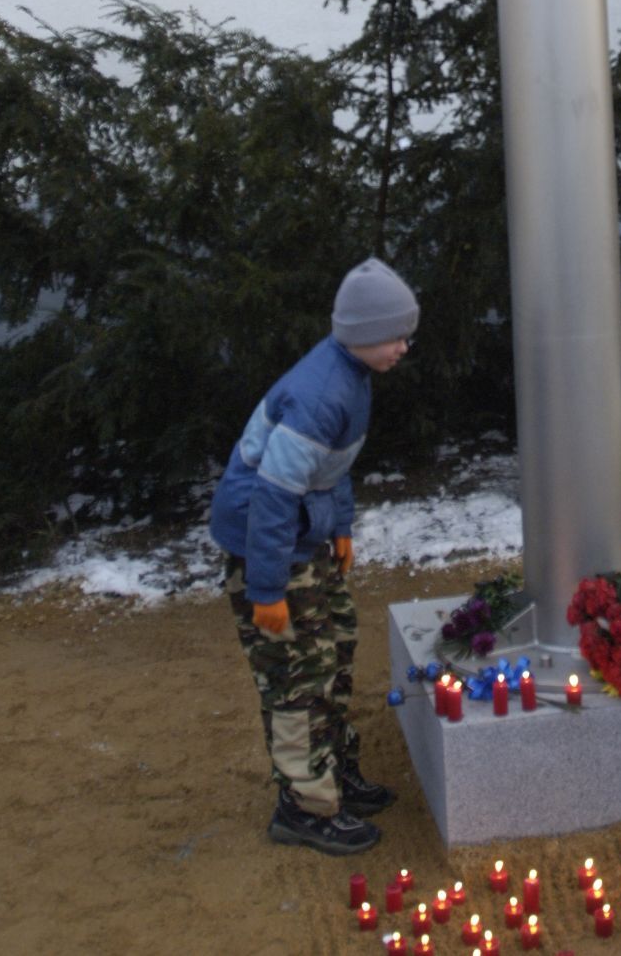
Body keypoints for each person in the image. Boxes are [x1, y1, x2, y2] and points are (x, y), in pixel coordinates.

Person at [208, 257, 419, 855]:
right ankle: (304, 805)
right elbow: (273, 497)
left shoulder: (353, 378)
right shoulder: (321, 392)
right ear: (358, 333)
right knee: (297, 671)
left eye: (407, 334)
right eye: (394, 335)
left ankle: (332, 769)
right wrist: (267, 590)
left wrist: (342, 525)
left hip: (306, 534)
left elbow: (334, 464)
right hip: (266, 545)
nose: (403, 347)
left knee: (334, 649)